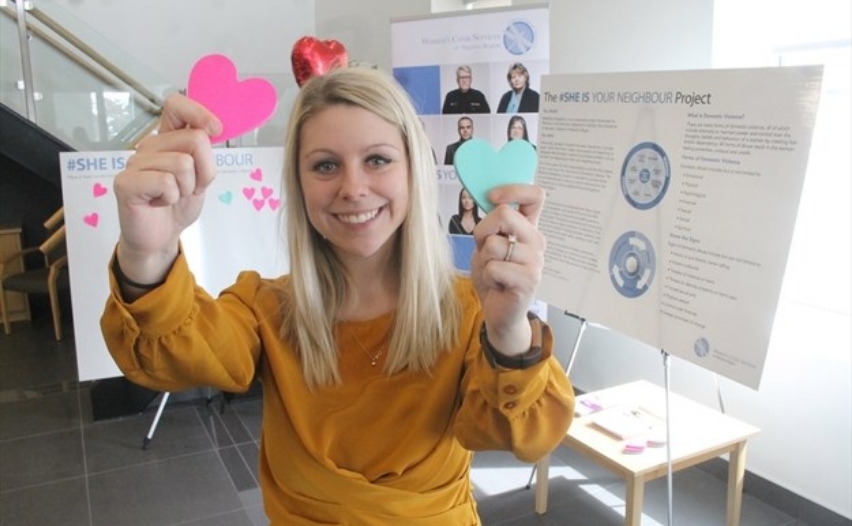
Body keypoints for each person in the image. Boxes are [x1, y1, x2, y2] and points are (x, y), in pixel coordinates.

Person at [100, 65, 574, 525]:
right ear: (300, 184)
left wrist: (510, 327)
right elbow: (174, 354)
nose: (353, 188)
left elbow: (522, 435)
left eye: (378, 160)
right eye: (326, 165)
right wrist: (149, 253)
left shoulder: (470, 310)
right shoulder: (266, 309)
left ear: (413, 171)